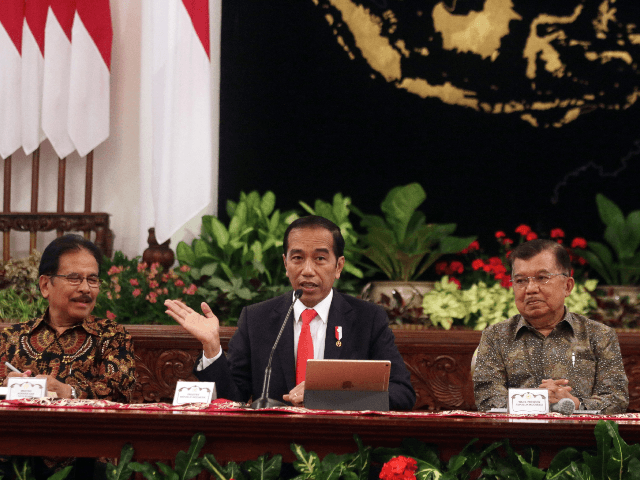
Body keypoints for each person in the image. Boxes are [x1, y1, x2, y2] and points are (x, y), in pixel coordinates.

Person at [165, 216, 416, 410]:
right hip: (274, 454)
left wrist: (330, 395)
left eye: (319, 259)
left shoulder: (367, 319)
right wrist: (211, 347)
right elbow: (233, 399)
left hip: (342, 453)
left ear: (338, 266)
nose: (307, 270)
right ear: (286, 264)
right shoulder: (257, 319)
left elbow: (402, 393)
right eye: (297, 258)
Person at [0, 234, 136, 479]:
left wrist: (68, 392)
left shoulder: (112, 337)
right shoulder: (10, 338)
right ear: (45, 285)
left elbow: (120, 392)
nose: (85, 288)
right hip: (15, 461)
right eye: (74, 278)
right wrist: (5, 388)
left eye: (92, 280)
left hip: (88, 462)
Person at [473, 239, 629, 414]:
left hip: (582, 437)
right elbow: (487, 399)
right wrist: (536, 400)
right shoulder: (496, 336)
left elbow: (617, 398)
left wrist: (575, 405)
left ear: (567, 286)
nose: (530, 289)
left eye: (542, 278)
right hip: (516, 437)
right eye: (521, 281)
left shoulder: (599, 335)